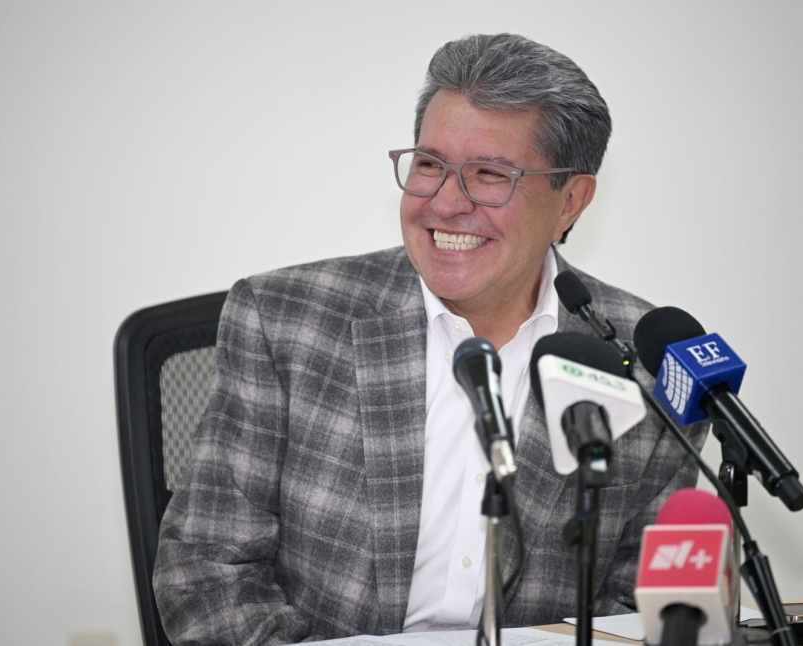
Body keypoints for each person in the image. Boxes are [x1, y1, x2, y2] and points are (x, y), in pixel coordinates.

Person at [153, 33, 706, 645]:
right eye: (429, 165)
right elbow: (205, 573)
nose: (444, 204)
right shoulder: (285, 320)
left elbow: (640, 606)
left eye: (489, 175)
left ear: (570, 201)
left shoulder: (647, 360)